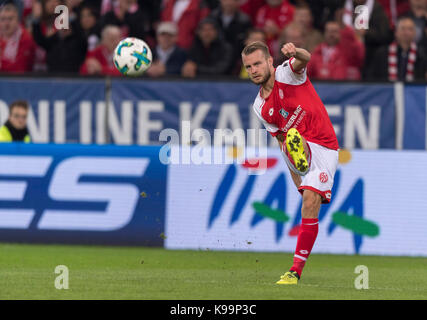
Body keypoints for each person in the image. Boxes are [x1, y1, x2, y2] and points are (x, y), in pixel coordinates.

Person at [241, 41, 339, 284]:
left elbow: (306, 58)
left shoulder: (287, 73)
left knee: (310, 200)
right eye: (248, 66)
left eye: (257, 63)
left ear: (269, 62)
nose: (253, 70)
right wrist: (297, 179)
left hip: (324, 145)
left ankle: (295, 271)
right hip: (299, 150)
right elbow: (283, 142)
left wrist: (296, 52)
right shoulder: (260, 107)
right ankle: (295, 271)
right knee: (308, 198)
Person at [366, 16, 427, 81]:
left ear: (414, 33)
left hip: (412, 90)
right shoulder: (382, 53)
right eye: (403, 29)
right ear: (396, 32)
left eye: (410, 29)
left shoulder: (422, 54)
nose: (406, 33)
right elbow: (372, 76)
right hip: (387, 90)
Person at [208, 0, 252, 73]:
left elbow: (247, 42)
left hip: (237, 61)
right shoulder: (212, 17)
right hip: (215, 59)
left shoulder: (245, 20)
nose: (229, 2)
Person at [0, 3, 36, 72]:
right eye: (3, 19)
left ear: (17, 21)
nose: (6, 23)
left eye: (10, 19)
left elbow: (19, 68)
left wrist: (1, 63)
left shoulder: (26, 38)